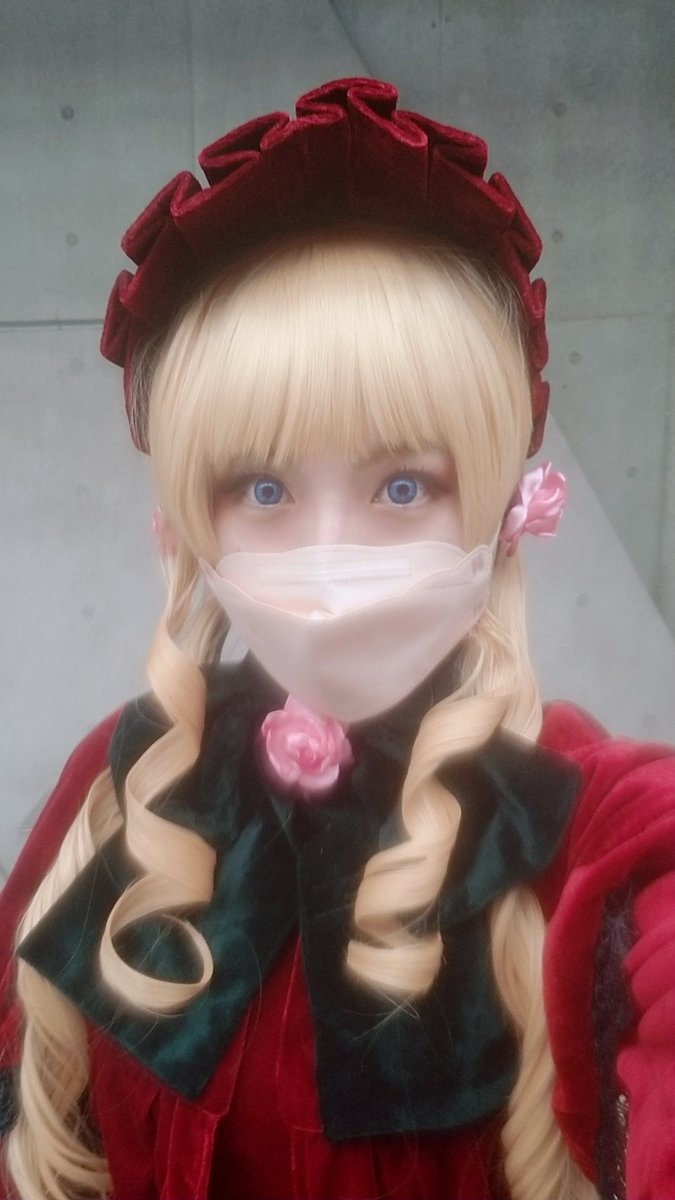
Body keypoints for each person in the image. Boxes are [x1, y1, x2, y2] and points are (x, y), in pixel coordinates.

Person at [0, 78, 673, 1200]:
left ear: (502, 505)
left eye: (403, 485)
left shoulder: (588, 826)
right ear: (192, 521)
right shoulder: (119, 787)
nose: (329, 563)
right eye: (261, 488)